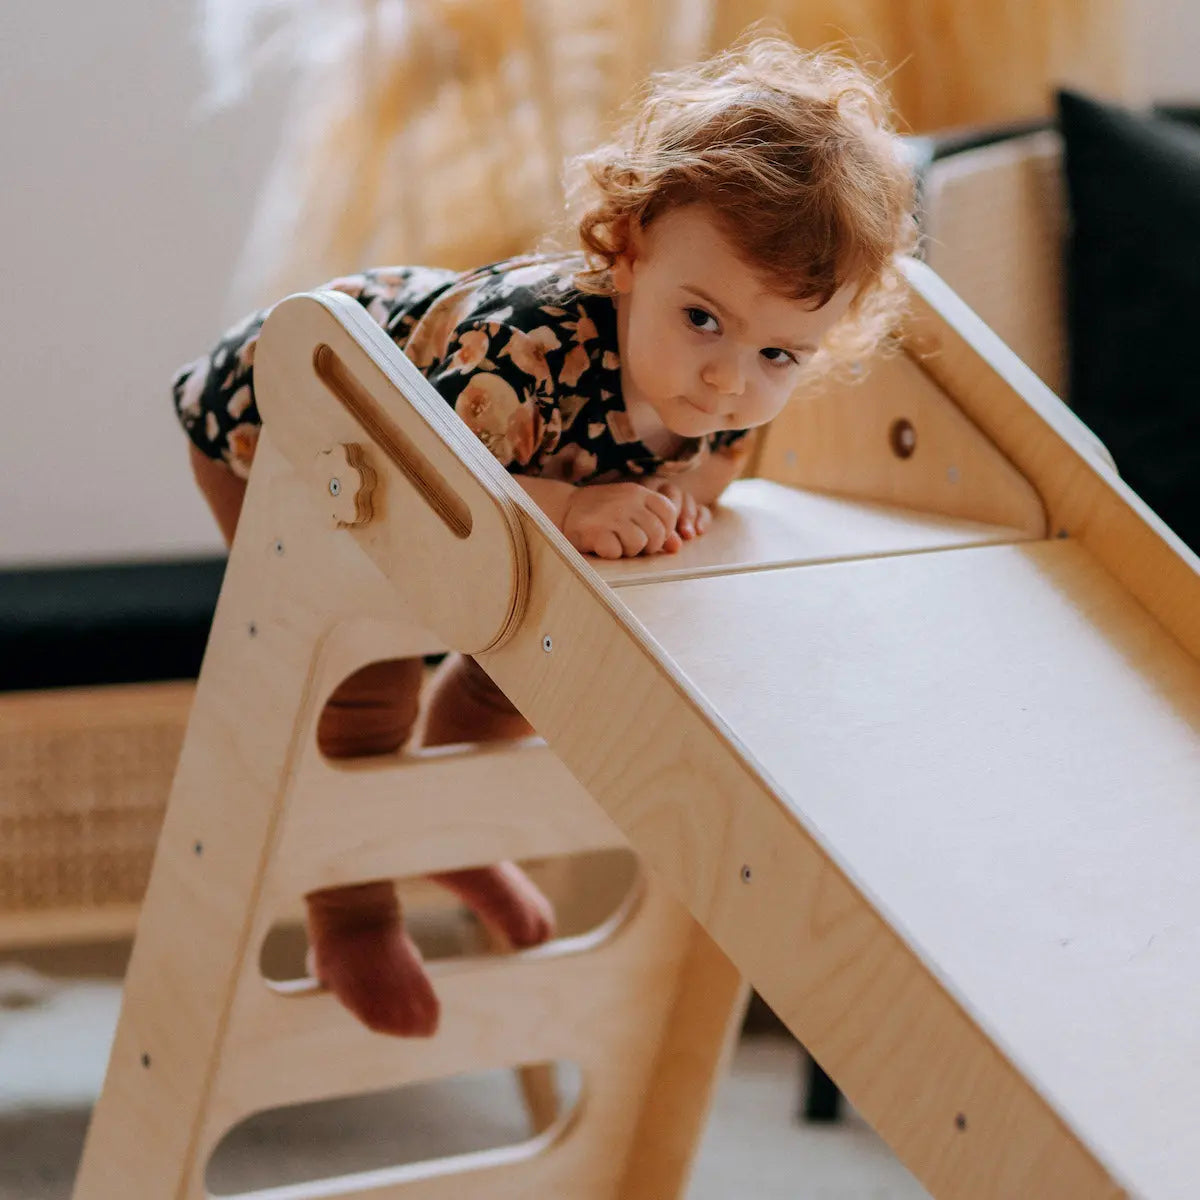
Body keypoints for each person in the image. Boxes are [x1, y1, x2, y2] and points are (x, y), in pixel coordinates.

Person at [172, 33, 917, 1037]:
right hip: (291, 421)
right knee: (369, 654)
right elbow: (427, 484)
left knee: (527, 654)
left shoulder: (735, 383)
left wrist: (681, 495)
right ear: (629, 247)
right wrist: (570, 509)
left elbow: (714, 462)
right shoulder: (524, 351)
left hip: (453, 465)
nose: (729, 379)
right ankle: (349, 912)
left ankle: (445, 823)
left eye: (779, 350)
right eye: (702, 320)